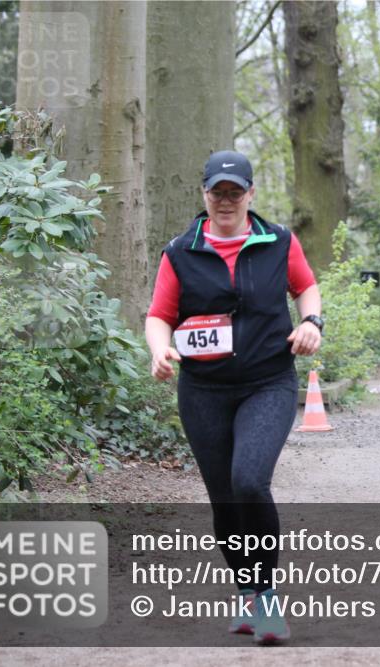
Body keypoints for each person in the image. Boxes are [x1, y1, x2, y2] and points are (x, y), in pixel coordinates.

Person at [145, 150, 323, 644]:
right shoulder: (180, 250)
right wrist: (160, 352)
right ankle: (247, 594)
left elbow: (306, 287)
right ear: (203, 194)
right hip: (203, 389)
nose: (225, 200)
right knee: (224, 499)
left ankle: (266, 598)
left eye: (235, 191)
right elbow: (159, 315)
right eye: (216, 191)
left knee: (249, 481)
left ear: (251, 194)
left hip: (267, 380)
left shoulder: (278, 241)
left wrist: (312, 322)